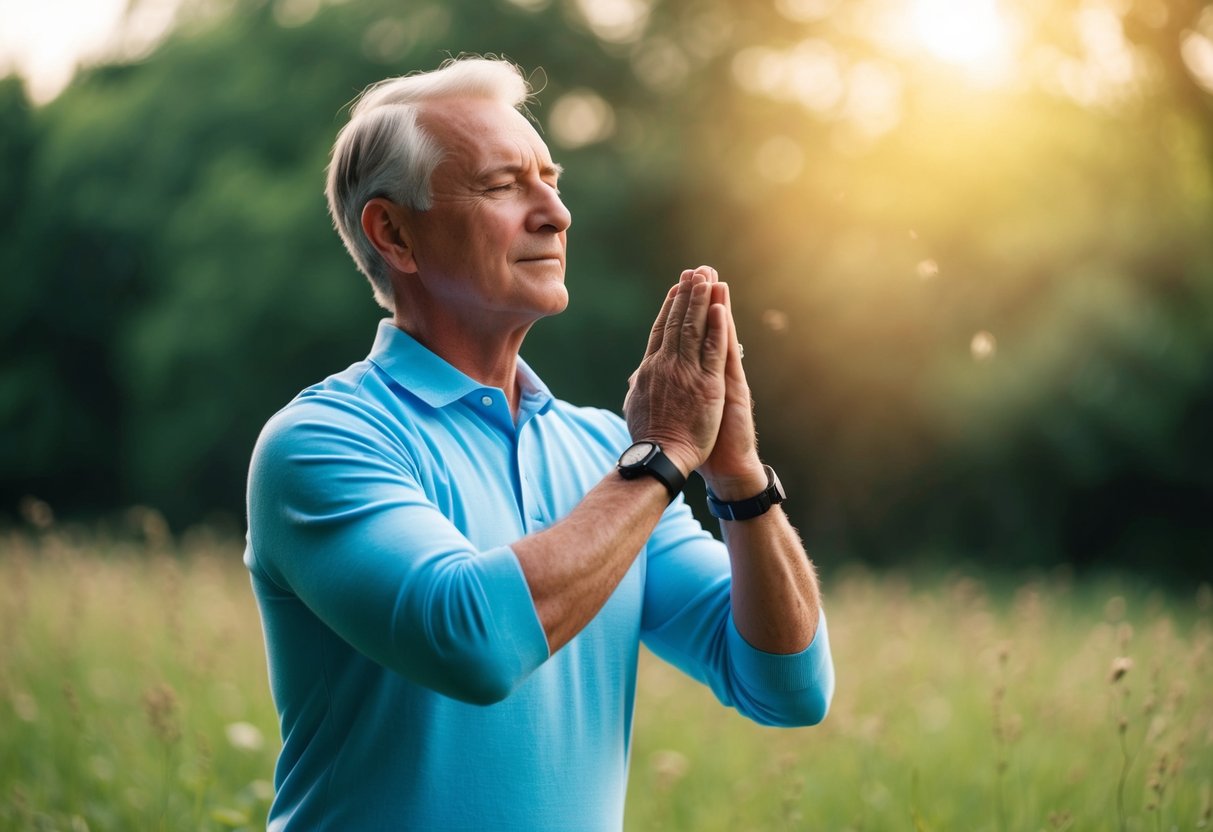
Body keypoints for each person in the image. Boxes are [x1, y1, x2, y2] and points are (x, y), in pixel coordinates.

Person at [244, 56, 834, 831]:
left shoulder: (604, 456)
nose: (554, 213)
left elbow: (787, 690)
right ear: (393, 233)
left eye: (550, 179)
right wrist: (659, 460)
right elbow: (474, 643)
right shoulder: (322, 442)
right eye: (501, 185)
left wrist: (738, 478)